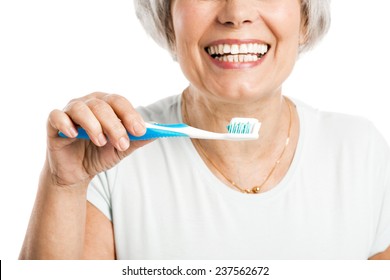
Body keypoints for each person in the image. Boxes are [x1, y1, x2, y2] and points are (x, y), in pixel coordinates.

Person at [19, 0, 390, 260]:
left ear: (305, 17)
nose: (237, 12)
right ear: (168, 18)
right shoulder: (109, 157)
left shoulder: (362, 153)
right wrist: (64, 183)